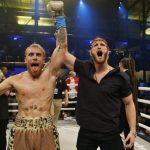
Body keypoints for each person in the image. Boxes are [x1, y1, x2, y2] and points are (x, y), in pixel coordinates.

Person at [0, 1, 67, 149]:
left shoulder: (50, 75)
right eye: (31, 55)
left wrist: (60, 17)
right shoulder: (14, 80)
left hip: (46, 129)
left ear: (44, 60)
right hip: (21, 130)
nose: (35, 57)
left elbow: (62, 47)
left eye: (38, 55)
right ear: (25, 60)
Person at [62, 36, 137, 150]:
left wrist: (132, 131)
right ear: (91, 52)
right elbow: (63, 53)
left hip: (111, 132)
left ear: (108, 51)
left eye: (102, 44)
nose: (99, 46)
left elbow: (129, 104)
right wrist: (60, 23)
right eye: (95, 45)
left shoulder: (120, 76)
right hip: (86, 131)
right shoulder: (84, 68)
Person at [119, 57, 138, 150]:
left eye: (119, 64)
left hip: (124, 108)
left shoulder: (123, 75)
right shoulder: (133, 75)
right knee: (129, 131)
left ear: (122, 64)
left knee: (113, 133)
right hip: (132, 107)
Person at [0, 66, 9, 150]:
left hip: (2, 114)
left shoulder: (4, 81)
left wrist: (3, 79)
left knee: (2, 135)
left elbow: (7, 92)